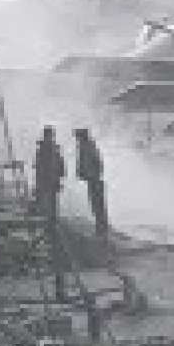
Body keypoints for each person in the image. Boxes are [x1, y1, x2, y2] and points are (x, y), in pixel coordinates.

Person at [33, 128, 68, 300]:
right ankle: (51, 224)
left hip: (47, 184)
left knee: (47, 208)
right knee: (51, 207)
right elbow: (61, 168)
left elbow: (40, 169)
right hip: (51, 183)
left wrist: (38, 185)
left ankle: (50, 226)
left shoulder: (46, 151)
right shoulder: (54, 150)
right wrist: (60, 177)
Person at [73, 128, 110, 244]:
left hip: (94, 180)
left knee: (97, 205)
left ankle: (102, 230)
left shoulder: (88, 147)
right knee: (96, 205)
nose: (77, 140)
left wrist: (90, 174)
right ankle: (101, 228)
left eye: (78, 138)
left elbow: (97, 163)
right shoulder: (87, 147)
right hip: (92, 180)